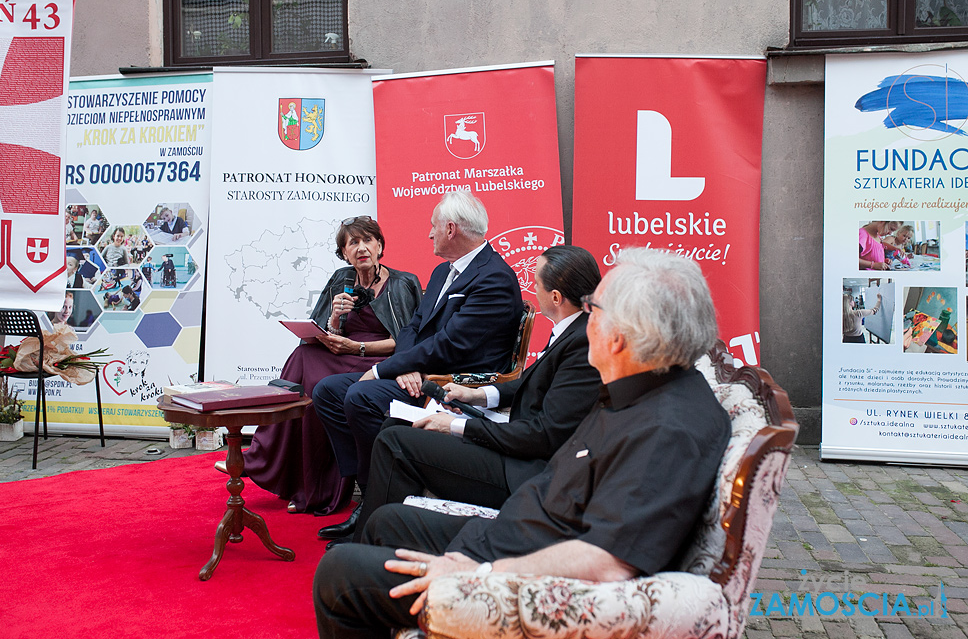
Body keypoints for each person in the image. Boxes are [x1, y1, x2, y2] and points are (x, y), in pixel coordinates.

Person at [312, 247, 732, 637]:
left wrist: (480, 573)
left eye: (594, 309)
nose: (586, 320)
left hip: (518, 567)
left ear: (620, 337)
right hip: (518, 530)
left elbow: (606, 562)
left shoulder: (667, 430)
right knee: (388, 521)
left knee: (339, 571)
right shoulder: (639, 391)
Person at [345, 245, 603, 547]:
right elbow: (531, 385)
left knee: (395, 442)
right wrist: (477, 395)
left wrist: (454, 425)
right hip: (516, 449)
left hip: (524, 472)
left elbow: (545, 434)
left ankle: (368, 543)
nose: (533, 289)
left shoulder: (583, 344)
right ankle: (385, 531)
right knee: (396, 427)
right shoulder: (573, 330)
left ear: (556, 298)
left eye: (537, 283)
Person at [312, 189, 523, 539]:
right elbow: (414, 327)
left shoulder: (493, 278)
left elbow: (452, 345)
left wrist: (384, 368)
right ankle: (370, 492)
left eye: (433, 226)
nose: (429, 233)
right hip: (423, 371)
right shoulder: (443, 272)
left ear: (451, 229)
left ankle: (382, 505)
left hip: (453, 384)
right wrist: (402, 365)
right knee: (328, 391)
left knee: (360, 397)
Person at [238, 217, 423, 515]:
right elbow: (326, 332)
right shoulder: (341, 279)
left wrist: (358, 347)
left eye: (368, 240)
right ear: (344, 252)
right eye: (353, 243)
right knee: (303, 359)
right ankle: (272, 461)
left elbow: (404, 342)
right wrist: (335, 321)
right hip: (345, 353)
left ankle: (317, 488)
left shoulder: (402, 283)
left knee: (315, 390)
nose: (361, 248)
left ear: (380, 246)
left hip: (381, 359)